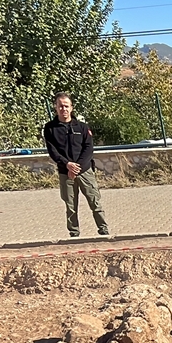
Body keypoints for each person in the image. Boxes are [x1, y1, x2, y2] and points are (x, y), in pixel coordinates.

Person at [44, 92, 109, 238]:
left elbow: (88, 149)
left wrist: (76, 167)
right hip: (65, 172)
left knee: (95, 202)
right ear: (56, 107)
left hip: (84, 171)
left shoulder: (82, 127)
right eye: (60, 106)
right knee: (70, 206)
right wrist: (67, 165)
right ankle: (74, 233)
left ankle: (103, 230)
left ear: (71, 108)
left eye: (66, 106)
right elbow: (53, 151)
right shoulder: (50, 128)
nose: (64, 109)